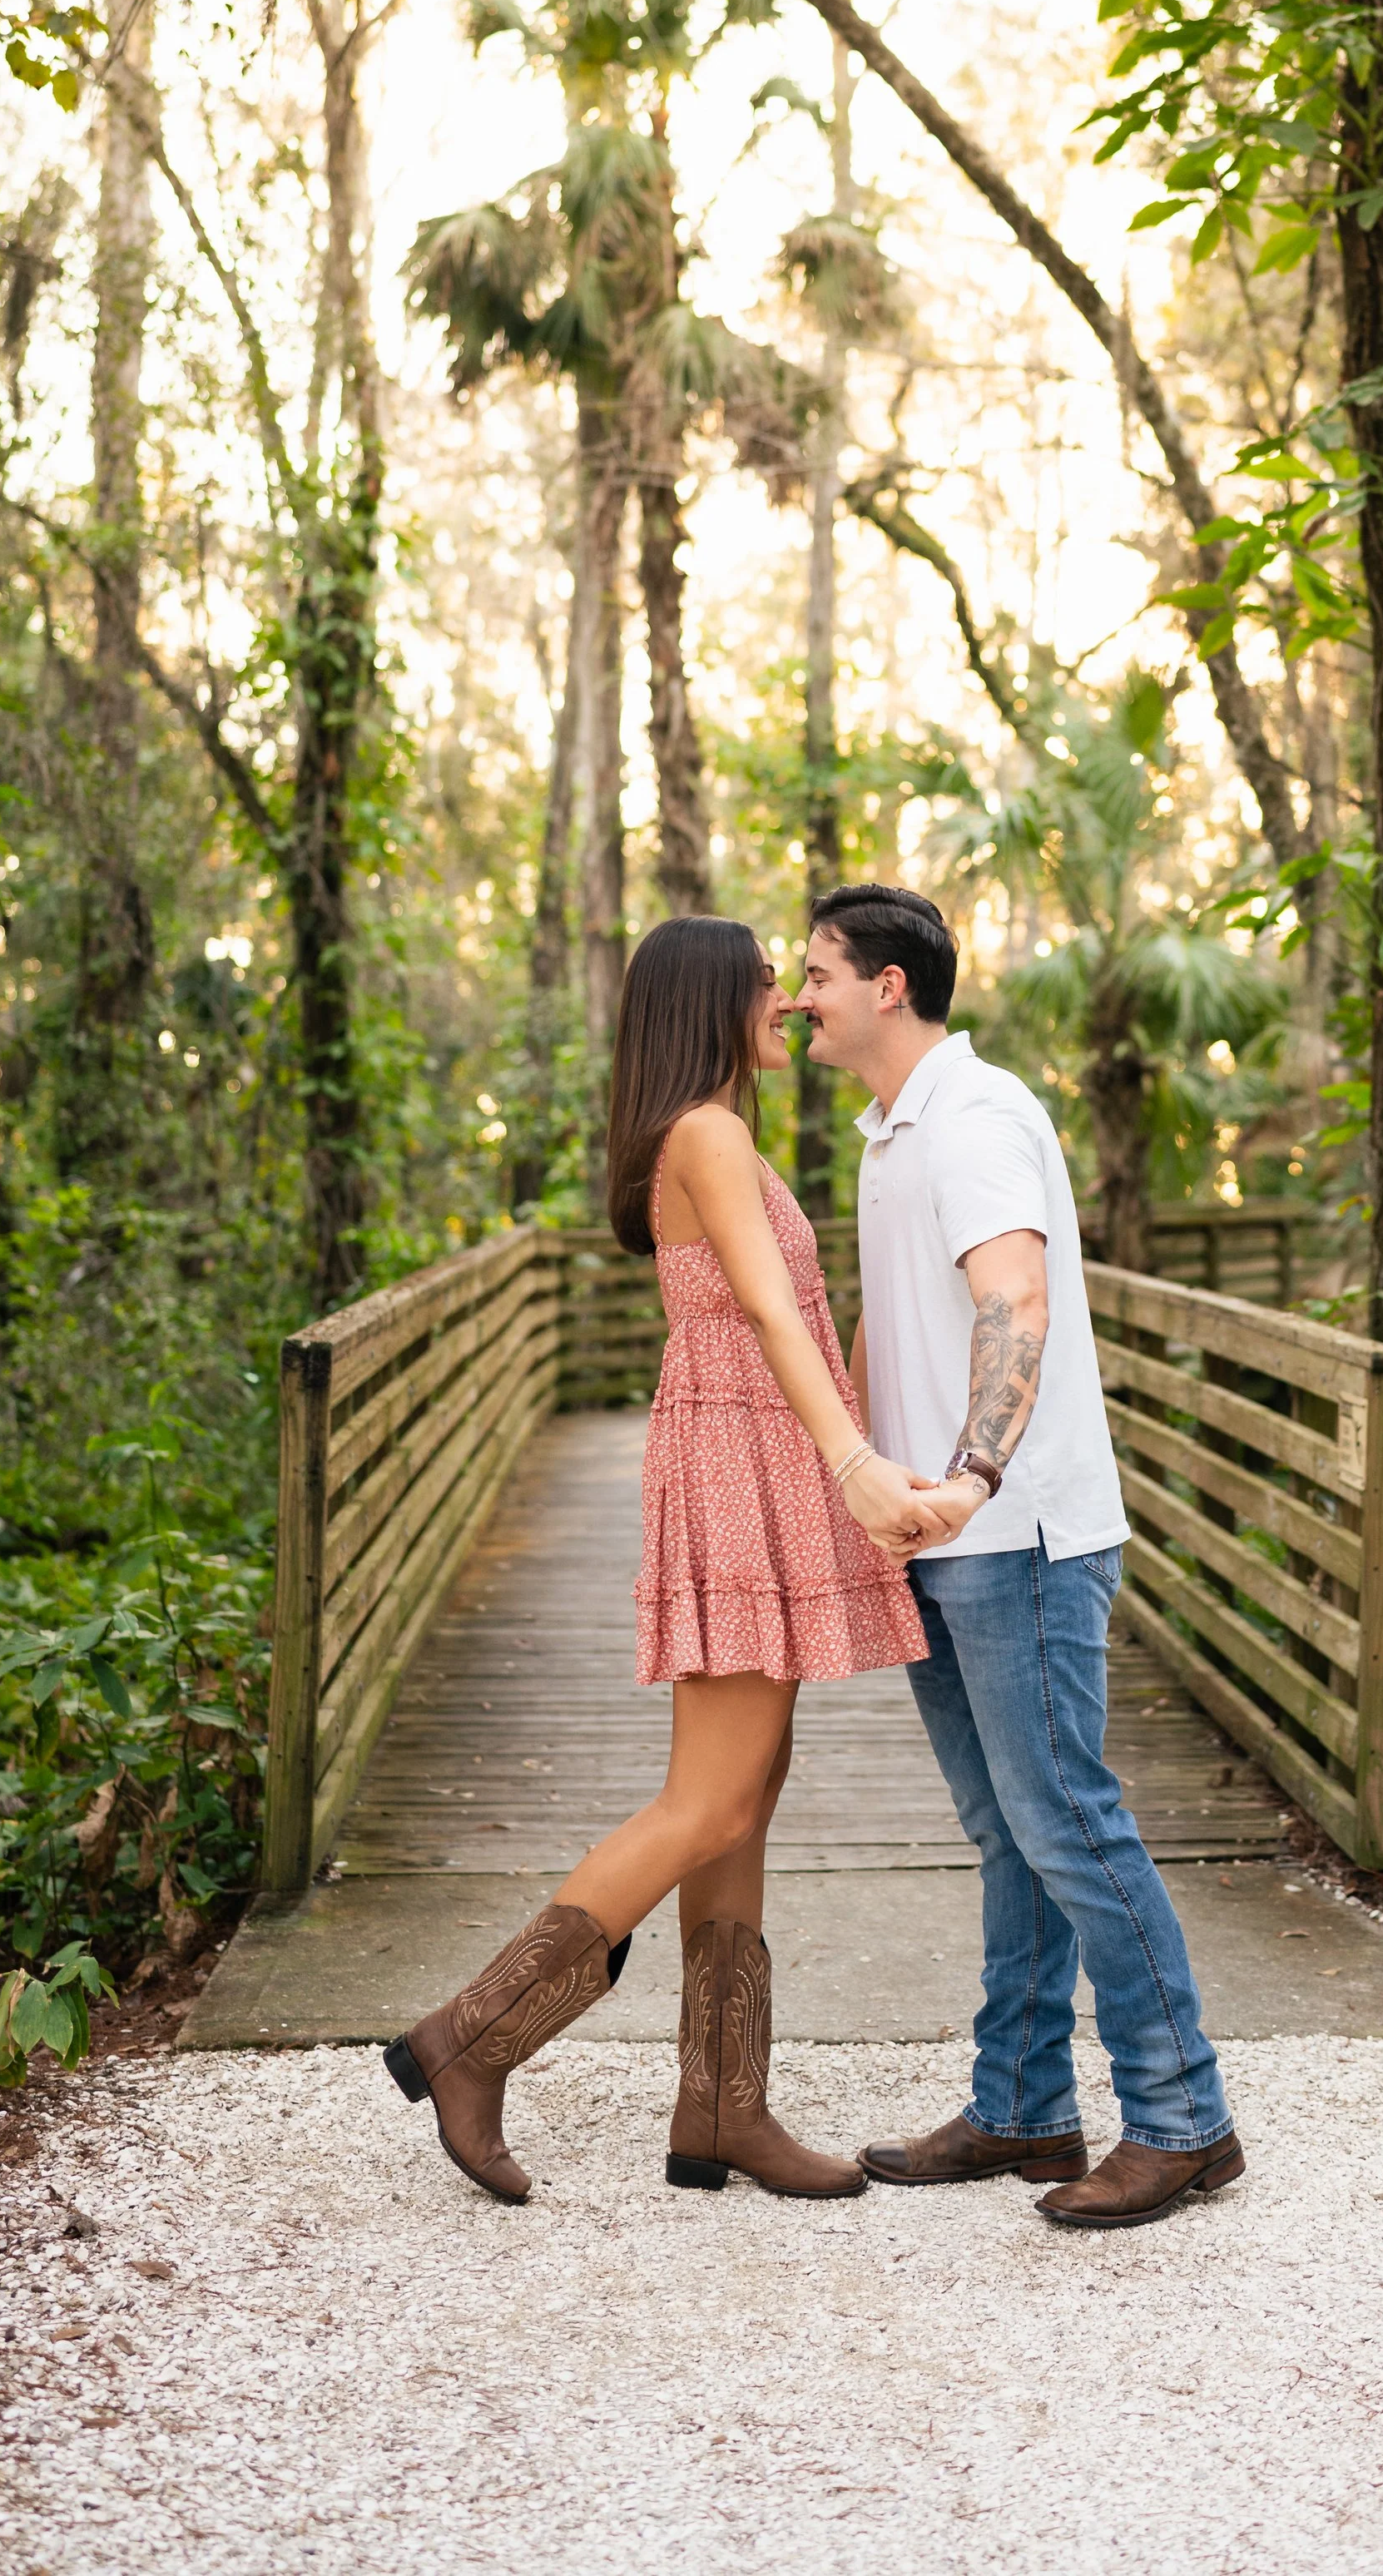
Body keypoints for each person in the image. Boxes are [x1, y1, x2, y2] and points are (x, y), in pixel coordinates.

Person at [384, 915, 935, 2206]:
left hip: (750, 1454)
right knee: (708, 1797)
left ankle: (722, 2105)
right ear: (708, 1001)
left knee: (745, 1790)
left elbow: (791, 1308)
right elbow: (758, 1304)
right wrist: (854, 1461)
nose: (790, 1006)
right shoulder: (709, 1131)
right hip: (747, 1462)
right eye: (766, 985)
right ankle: (469, 2039)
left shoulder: (713, 1131)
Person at [794, 883, 1244, 2229]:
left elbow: (1014, 1296)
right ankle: (1025, 2105)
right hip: (938, 1532)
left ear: (887, 985)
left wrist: (975, 1472)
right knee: (1009, 1830)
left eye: (817, 970)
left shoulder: (977, 1115)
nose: (797, 991)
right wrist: (857, 1493)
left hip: (1017, 1530)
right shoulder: (892, 1131)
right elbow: (897, 1315)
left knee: (1063, 1818)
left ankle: (1183, 2117)